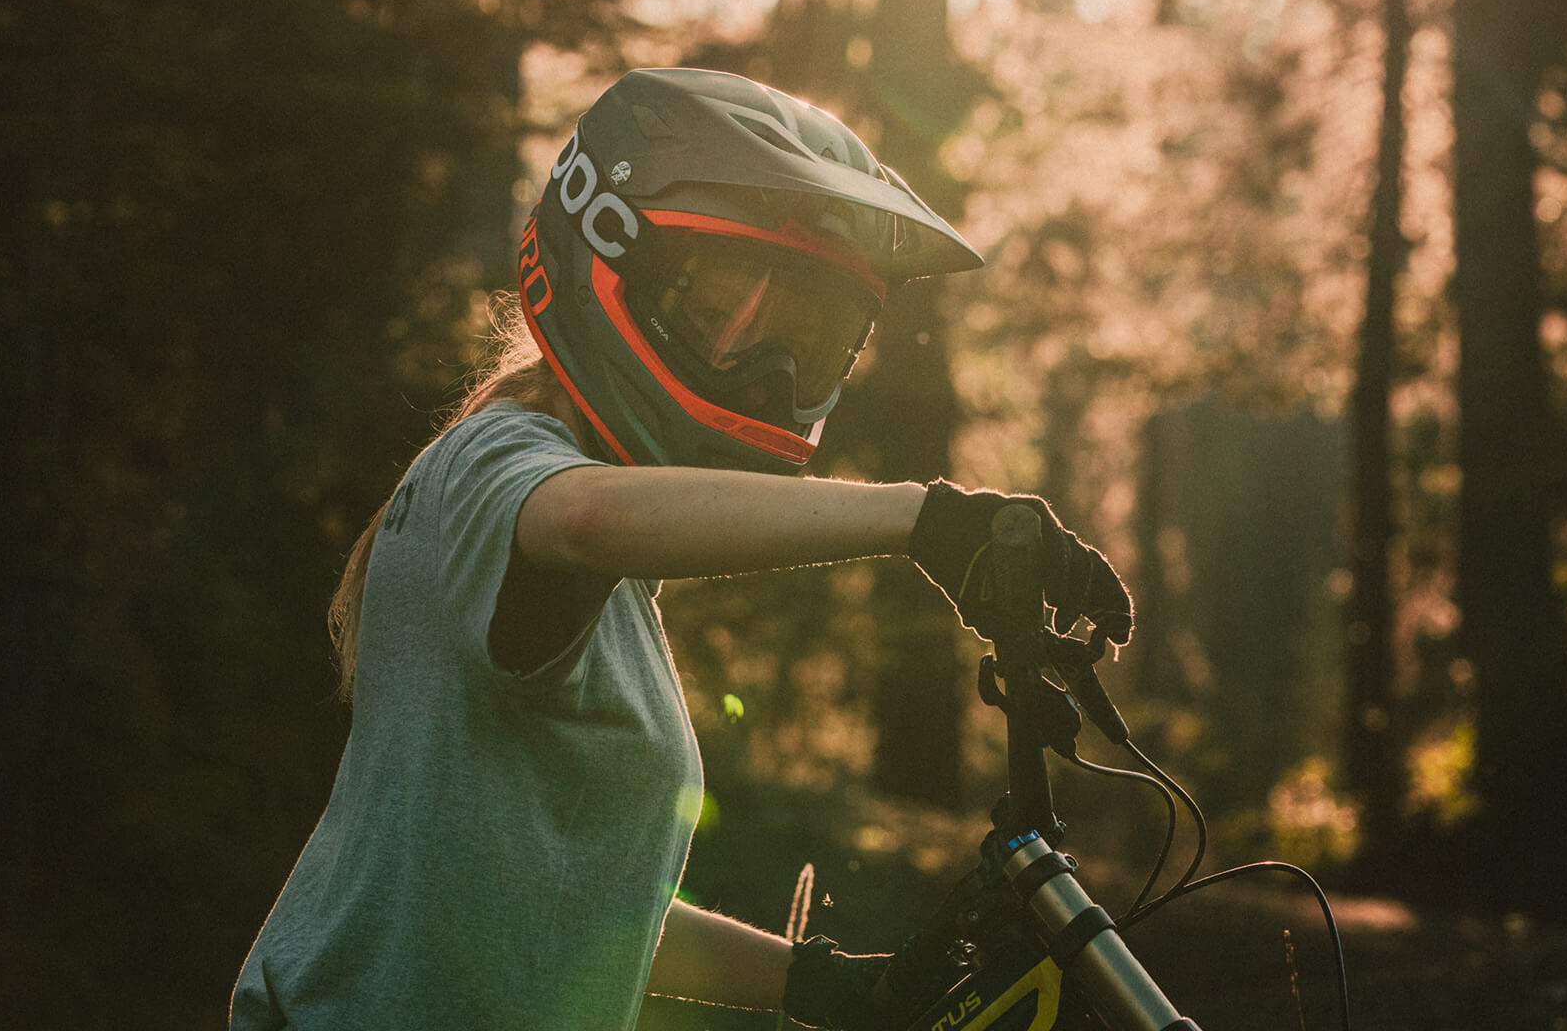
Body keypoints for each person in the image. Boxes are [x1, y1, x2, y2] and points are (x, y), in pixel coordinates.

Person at [229, 68, 1133, 1030]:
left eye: (810, 339)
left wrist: (831, 985)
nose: (771, 369)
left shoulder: (599, 582)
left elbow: (558, 905)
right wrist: (922, 519)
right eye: (726, 314)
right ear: (612, 249)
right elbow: (583, 518)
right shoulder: (497, 463)